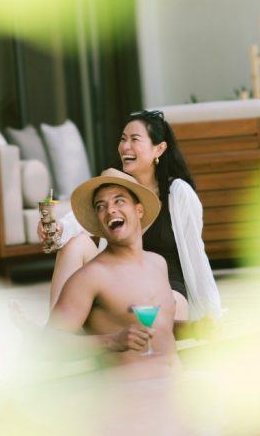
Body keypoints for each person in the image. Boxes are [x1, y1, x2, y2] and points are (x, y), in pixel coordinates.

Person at [42, 110, 222, 324]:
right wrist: (59, 228)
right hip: (118, 279)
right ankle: (55, 330)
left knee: (151, 313)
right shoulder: (117, 188)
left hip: (165, 287)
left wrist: (210, 312)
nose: (125, 146)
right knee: (76, 244)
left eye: (134, 139)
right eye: (123, 139)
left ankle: (106, 325)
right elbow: (81, 220)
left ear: (159, 149)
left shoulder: (178, 193)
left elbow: (195, 251)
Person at [44, 168, 179, 381]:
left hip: (178, 388)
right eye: (101, 206)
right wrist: (112, 341)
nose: (110, 210)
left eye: (119, 201)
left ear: (139, 210)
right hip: (132, 398)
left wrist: (194, 328)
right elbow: (48, 344)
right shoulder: (91, 277)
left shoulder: (157, 263)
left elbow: (160, 329)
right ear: (99, 222)